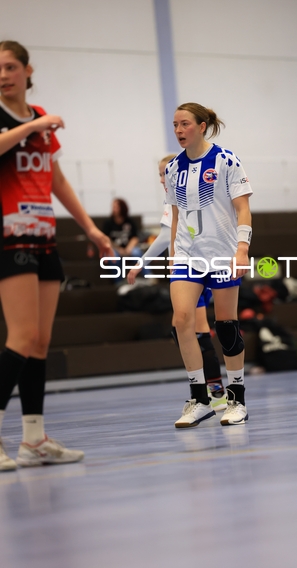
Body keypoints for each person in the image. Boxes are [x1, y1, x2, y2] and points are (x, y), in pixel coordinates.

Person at [0, 40, 114, 471]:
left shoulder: (39, 118)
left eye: (10, 67)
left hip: (44, 236)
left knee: (41, 342)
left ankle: (34, 440)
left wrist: (91, 228)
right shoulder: (27, 121)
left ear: (27, 71)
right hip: (9, 237)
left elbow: (57, 180)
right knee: (22, 336)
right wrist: (35, 126)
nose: (3, 75)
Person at [165, 102, 253, 428]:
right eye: (175, 125)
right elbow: (176, 216)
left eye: (185, 124)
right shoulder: (173, 168)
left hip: (223, 253)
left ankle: (236, 399)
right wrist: (173, 254)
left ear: (202, 126)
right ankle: (200, 399)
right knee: (181, 320)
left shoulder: (226, 160)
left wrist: (242, 249)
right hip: (188, 256)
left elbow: (243, 209)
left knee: (226, 326)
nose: (179, 130)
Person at [127, 155, 227, 411]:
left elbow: (163, 237)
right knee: (188, 329)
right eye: (160, 175)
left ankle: (214, 393)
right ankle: (213, 392)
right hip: (193, 268)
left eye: (165, 173)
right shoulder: (179, 195)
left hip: (193, 270)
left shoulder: (182, 195)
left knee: (195, 330)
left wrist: (140, 264)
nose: (163, 179)